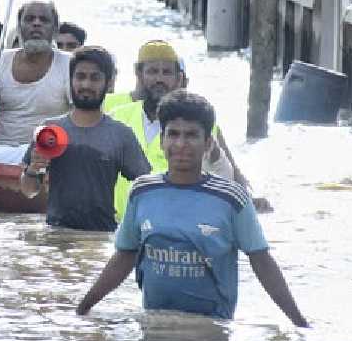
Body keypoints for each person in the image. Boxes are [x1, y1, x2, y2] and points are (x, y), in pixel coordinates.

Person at [76, 90, 309, 327]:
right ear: (161, 140)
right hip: (155, 325)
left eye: (191, 135)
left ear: (208, 143)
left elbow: (262, 262)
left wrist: (299, 324)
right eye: (173, 134)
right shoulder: (142, 192)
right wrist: (83, 309)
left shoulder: (231, 198)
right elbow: (124, 256)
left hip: (211, 329)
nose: (181, 144)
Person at [109, 40, 271, 218]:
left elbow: (227, 172)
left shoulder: (198, 122)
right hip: (120, 224)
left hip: (176, 223)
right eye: (153, 72)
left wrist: (250, 203)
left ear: (178, 78)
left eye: (167, 72)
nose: (159, 79)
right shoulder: (116, 116)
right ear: (139, 74)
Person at [20, 46, 151, 231]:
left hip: (101, 236)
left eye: (95, 78)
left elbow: (147, 187)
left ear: (109, 82)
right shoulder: (50, 131)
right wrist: (33, 169)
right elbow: (28, 190)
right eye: (80, 76)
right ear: (70, 80)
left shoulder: (121, 135)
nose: (86, 85)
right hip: (56, 234)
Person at [0, 0, 71, 145]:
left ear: (55, 30)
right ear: (19, 28)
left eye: (44, 20)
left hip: (50, 151)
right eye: (29, 19)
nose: (36, 24)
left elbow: (80, 118)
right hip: (1, 150)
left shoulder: (69, 64)